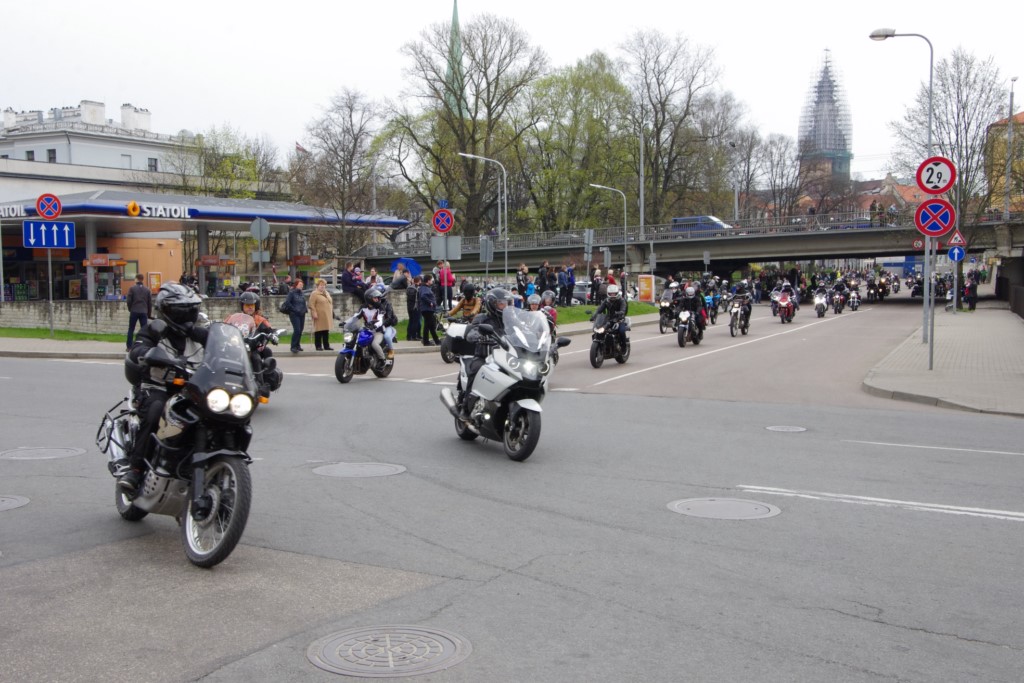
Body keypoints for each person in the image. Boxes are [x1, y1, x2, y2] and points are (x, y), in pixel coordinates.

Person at [117, 283, 208, 495]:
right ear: (167, 311)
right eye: (180, 311)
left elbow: (223, 346)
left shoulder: (200, 333)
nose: (186, 316)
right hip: (157, 386)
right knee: (156, 410)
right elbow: (138, 348)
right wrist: (148, 353)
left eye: (190, 310)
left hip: (192, 389)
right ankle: (135, 470)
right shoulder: (154, 330)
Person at [460, 287, 513, 419]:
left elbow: (520, 331)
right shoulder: (482, 318)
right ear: (492, 304)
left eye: (507, 303)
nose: (505, 306)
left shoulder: (510, 320)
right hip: (485, 356)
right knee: (476, 370)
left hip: (505, 358)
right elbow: (472, 332)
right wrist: (478, 336)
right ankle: (466, 408)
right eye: (501, 303)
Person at [125, 273, 152, 351]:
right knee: (144, 330)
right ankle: (144, 345)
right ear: (142, 279)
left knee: (131, 329)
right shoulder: (147, 290)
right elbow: (149, 303)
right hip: (144, 311)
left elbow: (129, 301)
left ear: (136, 279)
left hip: (134, 310)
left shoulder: (132, 288)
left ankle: (129, 347)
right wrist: (148, 314)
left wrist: (130, 309)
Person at [308, 278, 334, 351]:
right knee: (319, 330)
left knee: (326, 330)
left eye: (324, 285)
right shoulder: (314, 294)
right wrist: (314, 313)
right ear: (317, 286)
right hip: (319, 315)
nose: (323, 286)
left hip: (327, 315)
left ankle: (326, 346)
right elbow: (311, 304)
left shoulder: (326, 293)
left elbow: (330, 302)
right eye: (321, 285)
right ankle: (318, 346)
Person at [283, 279, 308, 353]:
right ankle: (293, 346)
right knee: (297, 330)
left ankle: (297, 345)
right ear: (296, 285)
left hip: (302, 313)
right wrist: (294, 309)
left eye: (302, 285)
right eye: (300, 285)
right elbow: (287, 302)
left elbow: (303, 303)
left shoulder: (302, 293)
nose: (301, 286)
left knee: (300, 330)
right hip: (294, 314)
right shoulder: (292, 293)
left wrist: (304, 309)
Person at [419, 273, 441, 346]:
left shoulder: (424, 287)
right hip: (427, 309)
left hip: (428, 309)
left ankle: (437, 341)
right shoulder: (425, 288)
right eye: (431, 280)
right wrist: (430, 302)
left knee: (431, 326)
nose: (432, 281)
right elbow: (423, 296)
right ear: (428, 281)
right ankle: (426, 341)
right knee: (427, 326)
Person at [406, 275, 422, 341]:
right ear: (419, 281)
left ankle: (409, 336)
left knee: (410, 321)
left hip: (409, 307)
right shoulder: (417, 289)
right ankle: (414, 336)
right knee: (415, 322)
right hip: (416, 307)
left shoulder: (409, 288)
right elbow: (418, 299)